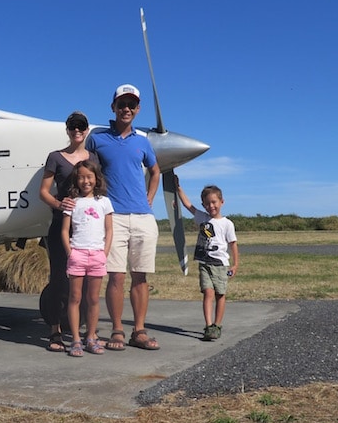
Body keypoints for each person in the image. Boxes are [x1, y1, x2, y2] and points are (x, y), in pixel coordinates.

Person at [86, 84, 161, 351]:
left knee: (140, 277)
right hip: (113, 216)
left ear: (137, 109)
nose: (126, 109)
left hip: (143, 216)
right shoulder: (97, 138)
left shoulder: (142, 141)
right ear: (113, 107)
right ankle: (117, 330)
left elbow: (155, 171)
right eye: (122, 104)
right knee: (115, 277)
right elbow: (87, 171)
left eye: (131, 104)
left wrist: (150, 198)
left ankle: (139, 331)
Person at [38, 111, 99, 352]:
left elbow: (99, 188)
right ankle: (55, 331)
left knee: (87, 284)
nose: (77, 130)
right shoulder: (55, 157)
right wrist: (58, 204)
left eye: (81, 126)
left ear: (86, 130)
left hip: (87, 228)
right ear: (67, 129)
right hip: (61, 226)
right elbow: (43, 191)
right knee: (59, 280)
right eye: (72, 126)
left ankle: (83, 332)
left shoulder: (93, 158)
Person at [175, 176, 239, 340]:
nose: (211, 206)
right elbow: (188, 205)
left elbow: (233, 244)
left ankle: (217, 325)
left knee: (220, 294)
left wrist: (235, 264)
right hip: (204, 263)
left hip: (220, 264)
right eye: (207, 203)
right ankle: (208, 325)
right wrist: (178, 188)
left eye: (214, 202)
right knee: (208, 293)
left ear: (221, 202)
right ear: (204, 205)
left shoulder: (227, 224)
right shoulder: (202, 218)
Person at [61, 160, 113, 357]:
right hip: (78, 254)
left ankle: (91, 336)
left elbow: (109, 230)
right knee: (75, 298)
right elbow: (65, 231)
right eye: (81, 177)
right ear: (77, 179)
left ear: (96, 178)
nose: (85, 181)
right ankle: (75, 339)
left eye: (89, 177)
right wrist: (70, 252)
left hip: (97, 255)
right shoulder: (72, 202)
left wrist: (104, 253)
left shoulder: (104, 202)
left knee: (93, 298)